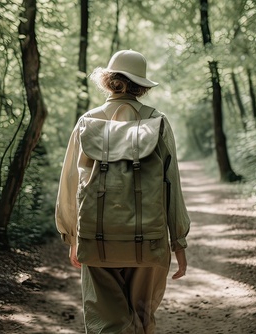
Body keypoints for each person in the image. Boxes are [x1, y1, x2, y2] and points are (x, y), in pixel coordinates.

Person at [55, 50, 191, 333]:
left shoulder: (86, 122)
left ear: (108, 80)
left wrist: (71, 237)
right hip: (149, 242)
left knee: (106, 322)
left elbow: (69, 185)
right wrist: (178, 242)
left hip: (96, 239)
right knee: (141, 318)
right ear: (141, 85)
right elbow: (172, 186)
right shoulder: (159, 122)